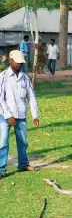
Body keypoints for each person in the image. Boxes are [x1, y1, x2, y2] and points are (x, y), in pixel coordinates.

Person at [0, 51, 39, 179]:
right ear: (10, 61)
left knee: (23, 141)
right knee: (3, 142)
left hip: (21, 115)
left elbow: (31, 96)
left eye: (21, 62)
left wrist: (35, 115)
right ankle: (1, 169)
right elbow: (1, 99)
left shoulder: (24, 77)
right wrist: (8, 116)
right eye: (17, 62)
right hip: (5, 116)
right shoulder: (3, 77)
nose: (20, 64)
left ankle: (23, 164)